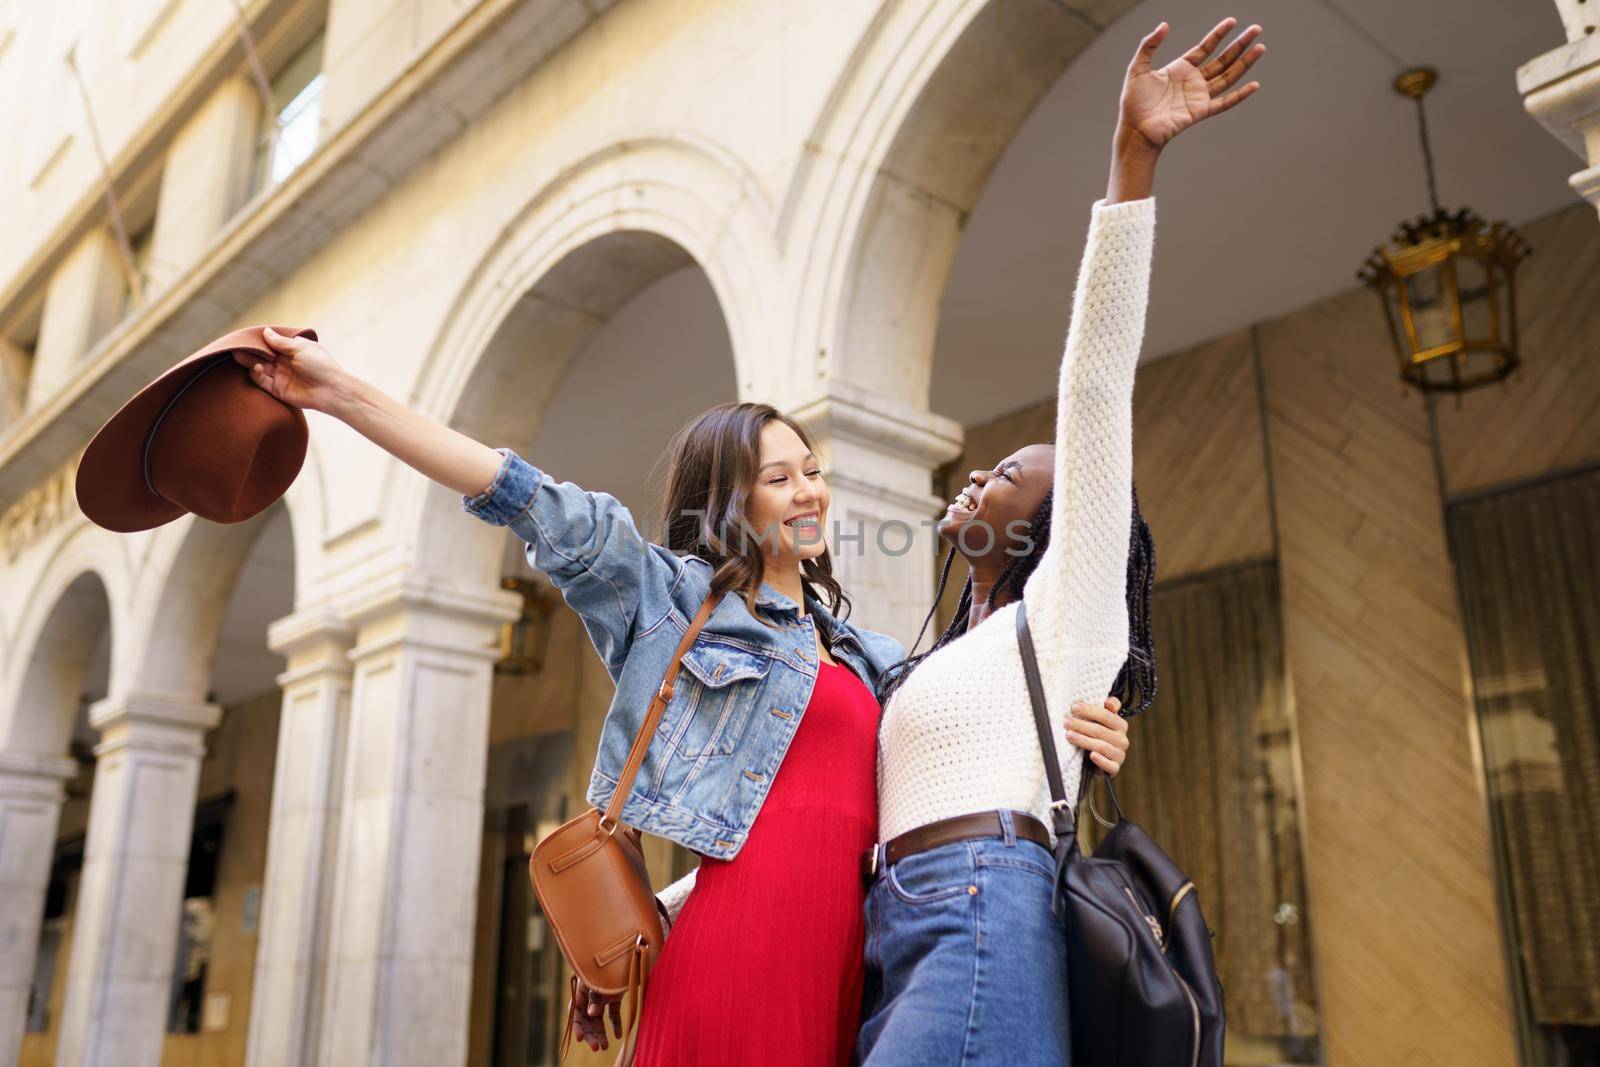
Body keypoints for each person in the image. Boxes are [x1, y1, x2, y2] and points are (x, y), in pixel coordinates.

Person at [234, 315, 1132, 1066]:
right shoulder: (670, 601)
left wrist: (1082, 720)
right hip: (734, 955)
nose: (807, 490)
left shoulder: (872, 655)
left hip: (854, 961)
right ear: (728, 505)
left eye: (811, 469)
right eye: (778, 479)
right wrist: (337, 392)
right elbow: (519, 492)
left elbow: (971, 730)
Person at [853, 17, 1265, 1066]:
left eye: (1007, 475)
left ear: (1049, 527)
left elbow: (1092, 386)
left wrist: (1133, 161)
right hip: (894, 923)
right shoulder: (939, 652)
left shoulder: (1068, 610)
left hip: (979, 907)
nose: (975, 476)